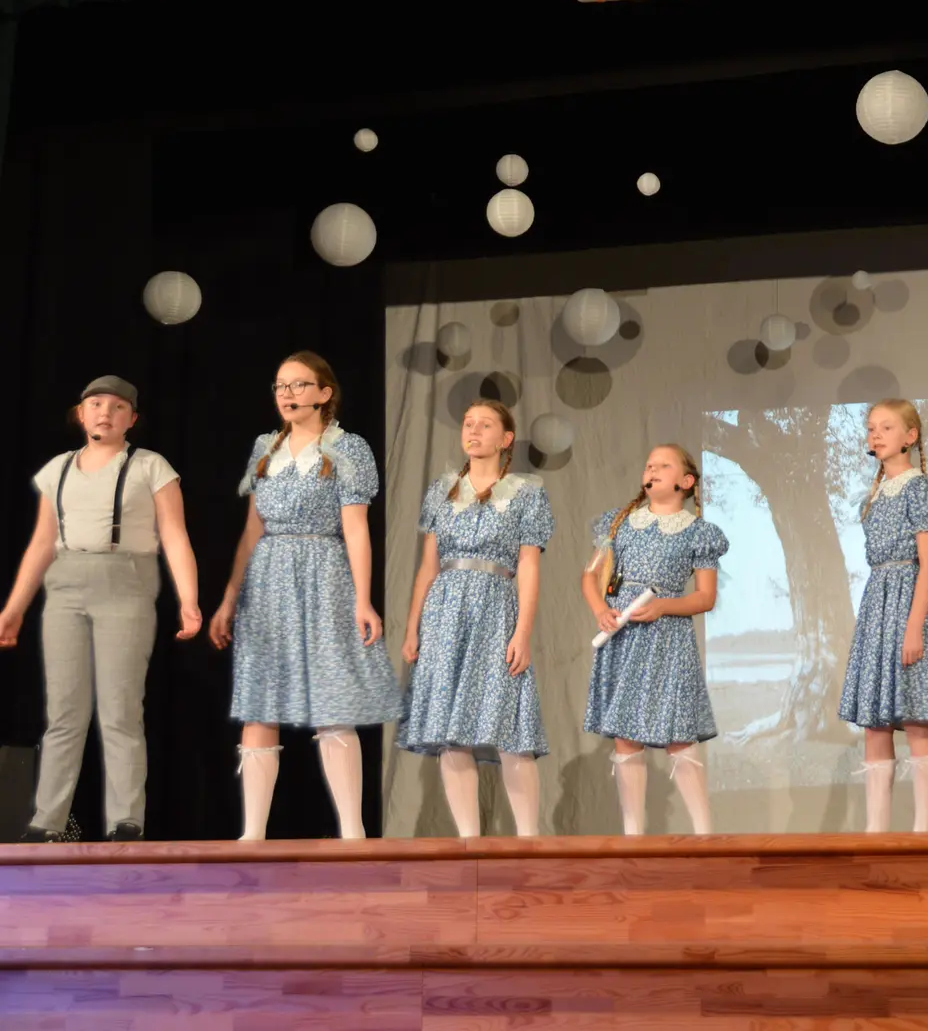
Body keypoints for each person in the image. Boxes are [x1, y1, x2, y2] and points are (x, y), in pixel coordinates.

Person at [208, 352, 402, 840]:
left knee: (334, 700)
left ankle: (353, 833)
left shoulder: (347, 448)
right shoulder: (265, 447)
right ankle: (252, 834)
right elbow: (252, 530)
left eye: (298, 385)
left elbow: (356, 529)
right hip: (267, 579)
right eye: (280, 386)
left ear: (324, 393)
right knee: (260, 702)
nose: (287, 394)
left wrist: (363, 599)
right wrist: (229, 598)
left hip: (324, 574)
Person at [0, 375, 201, 842]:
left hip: (125, 580)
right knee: (64, 711)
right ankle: (47, 821)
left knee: (120, 707)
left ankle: (126, 819)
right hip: (66, 584)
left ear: (132, 418)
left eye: (116, 406)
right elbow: (41, 543)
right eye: (95, 404)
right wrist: (13, 609)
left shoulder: (150, 466)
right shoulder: (58, 469)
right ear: (80, 413)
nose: (105, 413)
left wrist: (189, 600)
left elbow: (175, 535)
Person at [399, 400, 553, 837]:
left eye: (485, 425)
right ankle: (470, 842)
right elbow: (428, 566)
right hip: (444, 612)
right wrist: (413, 627)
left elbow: (528, 566)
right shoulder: (443, 490)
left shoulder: (526, 493)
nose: (473, 430)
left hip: (495, 608)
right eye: (468, 423)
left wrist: (522, 632)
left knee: (510, 726)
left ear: (506, 439)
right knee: (451, 729)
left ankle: (529, 840)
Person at [581, 444, 728, 836]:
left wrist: (663, 606)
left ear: (686, 481)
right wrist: (600, 609)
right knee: (626, 736)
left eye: (664, 465)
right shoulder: (619, 523)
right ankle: (634, 834)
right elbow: (590, 575)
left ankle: (704, 833)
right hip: (623, 636)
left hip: (667, 640)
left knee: (678, 734)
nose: (653, 469)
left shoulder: (699, 533)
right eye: (649, 464)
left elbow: (705, 597)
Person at [840, 399, 928, 833]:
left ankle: (925, 833)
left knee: (916, 717)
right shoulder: (871, 496)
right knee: (876, 722)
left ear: (910, 436)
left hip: (910, 601)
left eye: (886, 427)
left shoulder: (920, 488)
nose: (875, 434)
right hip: (878, 604)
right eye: (871, 427)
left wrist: (914, 627)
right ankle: (877, 833)